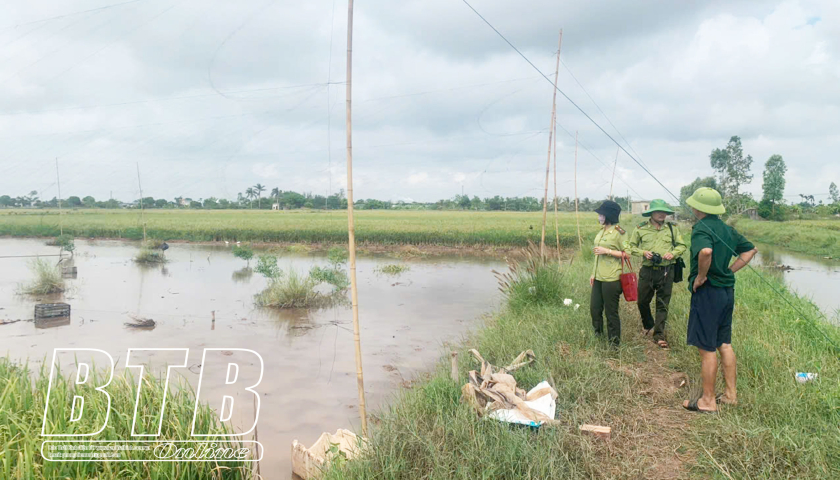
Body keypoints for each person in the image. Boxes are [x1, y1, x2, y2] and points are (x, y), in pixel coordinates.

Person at [682, 187, 757, 414]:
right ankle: (731, 395)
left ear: (698, 208)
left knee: (706, 348)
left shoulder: (700, 229)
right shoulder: (727, 229)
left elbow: (705, 252)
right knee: (724, 343)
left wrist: (701, 277)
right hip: (726, 292)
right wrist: (730, 271)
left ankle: (708, 400)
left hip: (709, 293)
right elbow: (750, 250)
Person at [624, 199, 686, 349]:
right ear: (651, 213)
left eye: (664, 211)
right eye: (658, 211)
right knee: (642, 301)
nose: (661, 214)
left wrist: (673, 253)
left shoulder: (672, 228)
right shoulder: (640, 228)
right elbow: (630, 247)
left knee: (662, 303)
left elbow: (682, 245)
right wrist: (643, 252)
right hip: (647, 270)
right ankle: (648, 323)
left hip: (667, 270)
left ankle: (659, 335)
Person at [590, 200, 628, 347]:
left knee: (611, 312)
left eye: (601, 214)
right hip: (598, 277)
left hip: (612, 278)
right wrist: (593, 273)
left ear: (609, 215)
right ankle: (598, 336)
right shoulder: (601, 232)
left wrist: (608, 251)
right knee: (595, 308)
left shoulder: (619, 232)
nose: (599, 217)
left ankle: (614, 344)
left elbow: (628, 254)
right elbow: (597, 255)